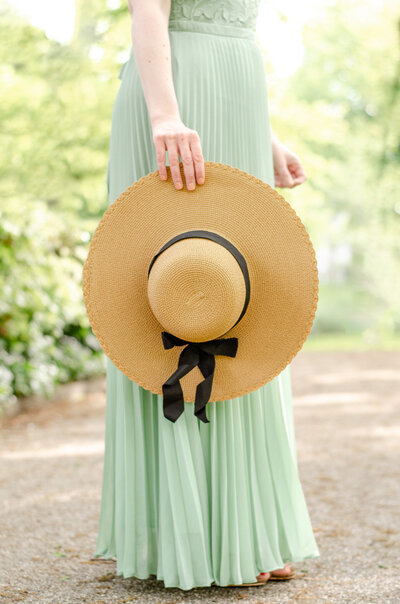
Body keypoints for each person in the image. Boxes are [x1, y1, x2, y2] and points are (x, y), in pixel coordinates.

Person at [94, 0, 320, 590]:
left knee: (239, 298)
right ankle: (184, 535)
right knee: (181, 291)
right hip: (175, 91)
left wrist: (264, 134)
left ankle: (248, 528)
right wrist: (165, 114)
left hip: (239, 94)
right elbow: (150, 10)